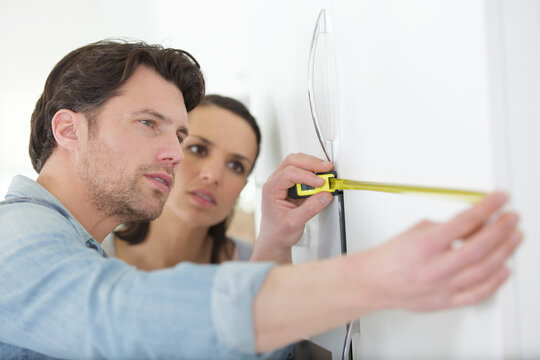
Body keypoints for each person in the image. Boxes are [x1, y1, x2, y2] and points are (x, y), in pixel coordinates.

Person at [0, 39, 521, 359]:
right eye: (148, 124)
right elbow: (121, 317)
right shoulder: (13, 238)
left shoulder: (73, 248)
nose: (175, 156)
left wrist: (275, 240)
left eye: (179, 136)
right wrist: (374, 278)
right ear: (68, 129)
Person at [102, 94, 260, 267]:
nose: (213, 175)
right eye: (197, 149)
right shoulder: (89, 258)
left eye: (236, 166)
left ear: (243, 187)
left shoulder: (255, 265)